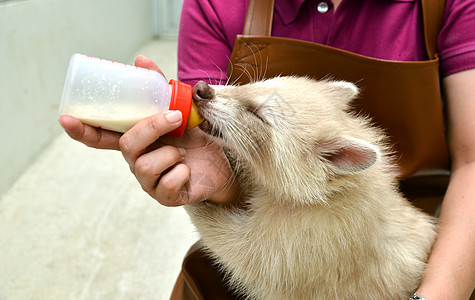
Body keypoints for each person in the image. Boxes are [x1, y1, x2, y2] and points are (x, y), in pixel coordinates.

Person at [60, 0, 475, 298]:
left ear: (333, 159)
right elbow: (210, 123)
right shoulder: (217, 6)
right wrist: (207, 179)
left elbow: (473, 160)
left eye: (258, 114)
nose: (213, 93)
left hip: (447, 238)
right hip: (260, 195)